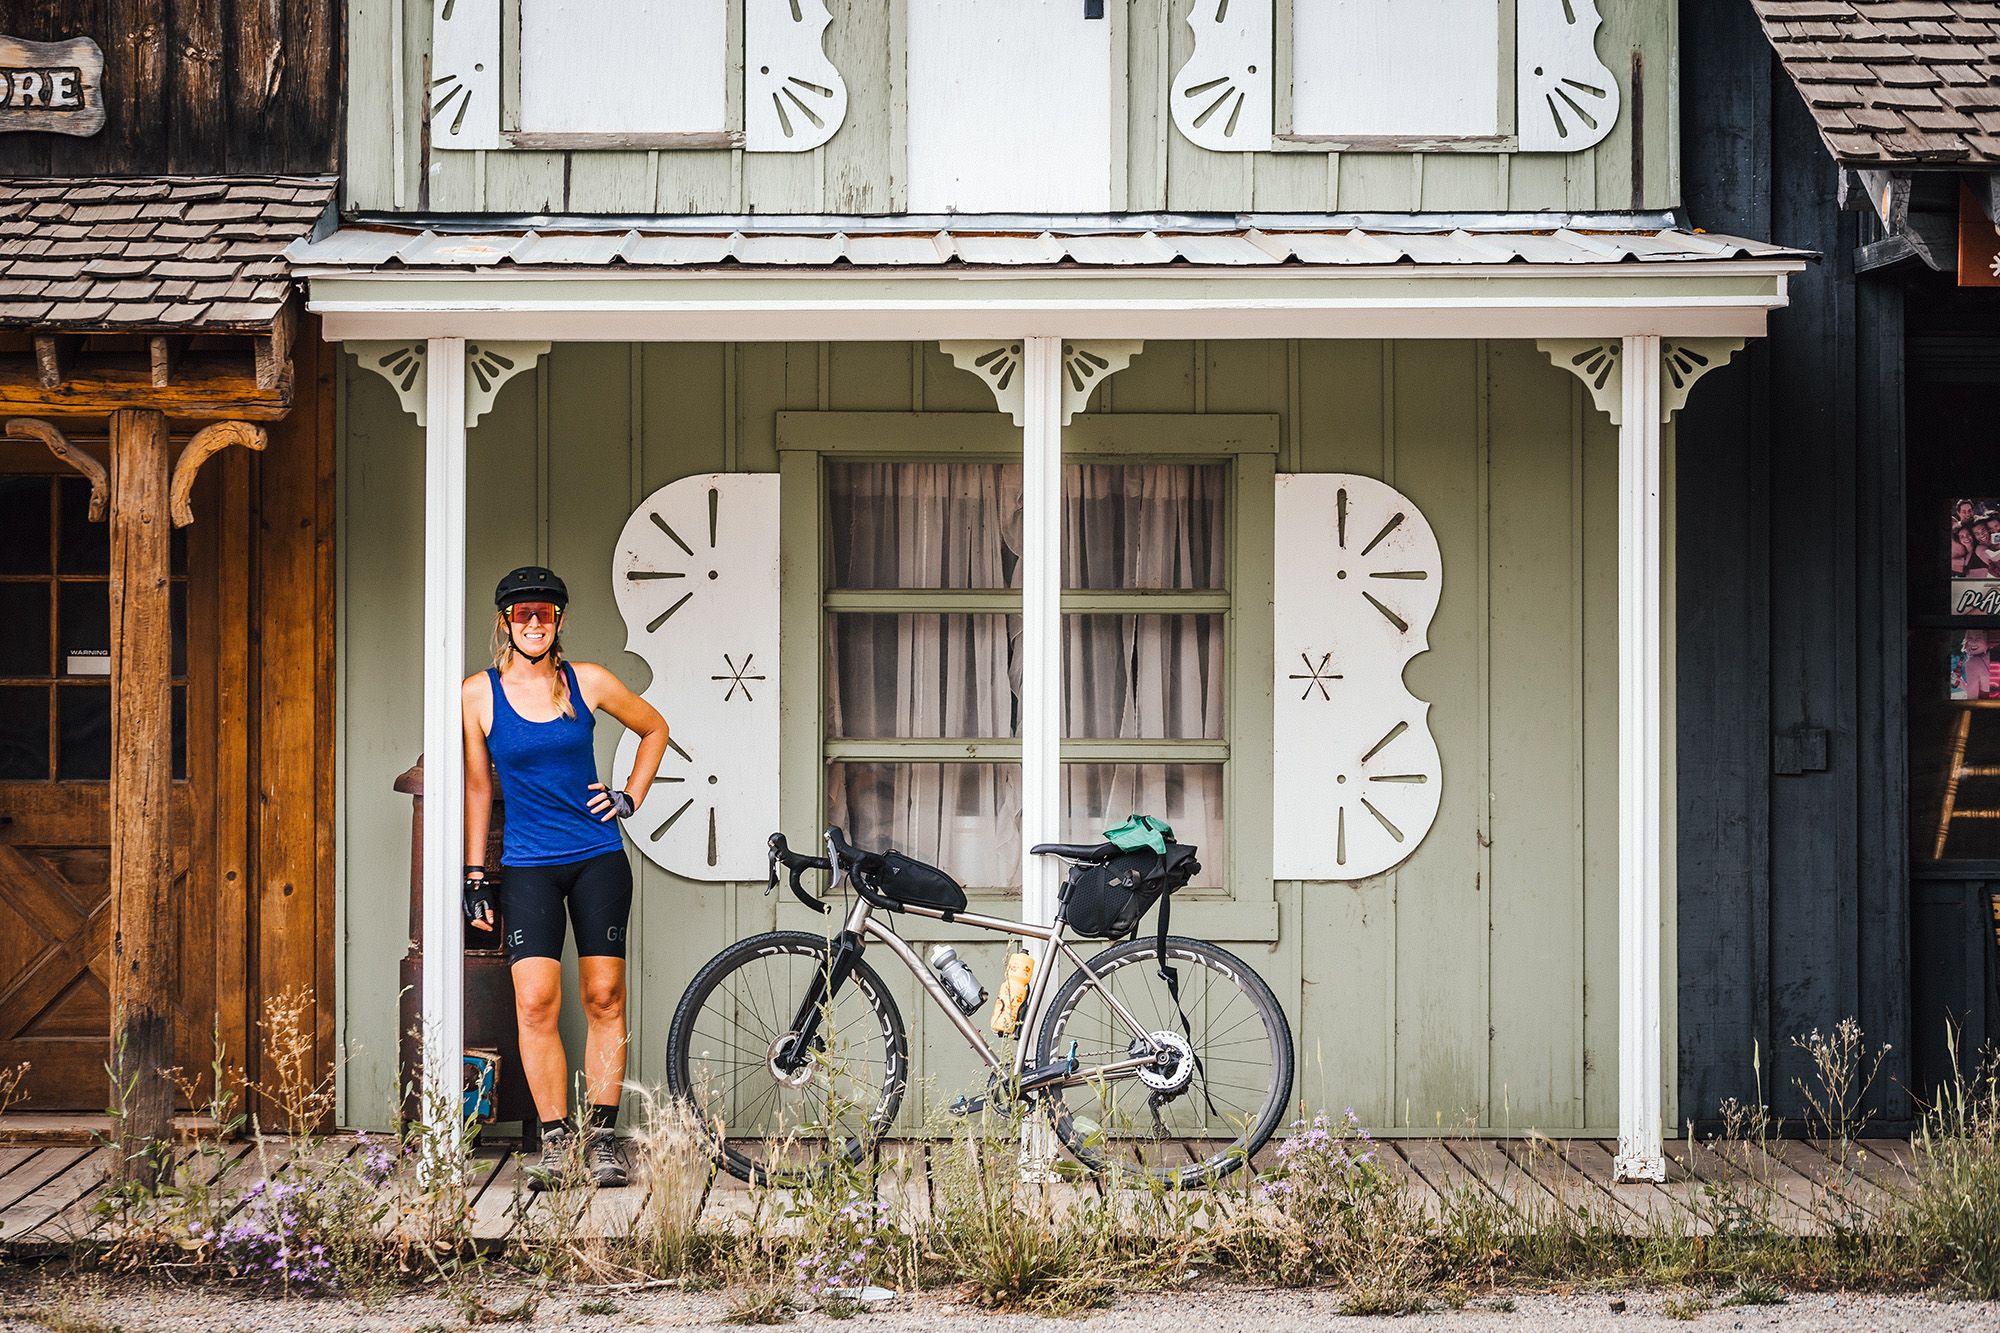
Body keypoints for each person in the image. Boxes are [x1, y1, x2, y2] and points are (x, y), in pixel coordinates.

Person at [462, 566, 669, 1190]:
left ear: (558, 622)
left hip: (597, 859)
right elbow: (478, 788)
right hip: (527, 867)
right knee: (536, 1002)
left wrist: (630, 797)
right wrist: (477, 875)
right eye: (522, 613)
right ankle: (557, 1146)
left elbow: (655, 728)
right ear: (505, 621)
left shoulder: (590, 682)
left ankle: (601, 1141)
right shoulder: (478, 694)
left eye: (544, 614)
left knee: (604, 997)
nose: (533, 623)